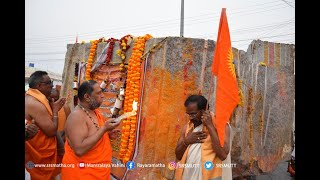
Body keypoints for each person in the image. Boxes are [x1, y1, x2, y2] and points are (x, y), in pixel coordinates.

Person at [61, 80, 120, 180]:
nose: (102, 96)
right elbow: (79, 149)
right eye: (98, 93)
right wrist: (104, 129)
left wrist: (107, 134)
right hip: (82, 174)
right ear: (87, 97)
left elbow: (93, 135)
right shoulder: (77, 116)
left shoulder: (94, 112)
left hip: (99, 172)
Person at [175, 95, 231, 180]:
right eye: (188, 114)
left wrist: (210, 126)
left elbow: (223, 155)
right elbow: (178, 156)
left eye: (193, 114)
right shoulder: (187, 128)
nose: (190, 117)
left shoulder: (221, 125)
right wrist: (186, 141)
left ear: (204, 111)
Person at [25, 71, 66, 180]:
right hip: (37, 157)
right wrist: (56, 111)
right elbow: (51, 131)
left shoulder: (33, 98)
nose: (52, 86)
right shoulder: (34, 103)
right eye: (49, 83)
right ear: (39, 86)